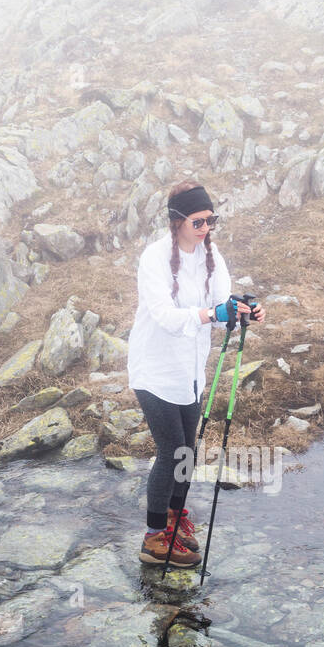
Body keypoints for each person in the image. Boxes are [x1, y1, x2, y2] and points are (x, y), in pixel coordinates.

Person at [127, 178, 265, 567]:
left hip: (190, 373)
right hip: (154, 370)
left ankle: (174, 516)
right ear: (177, 221)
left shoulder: (211, 254)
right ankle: (153, 539)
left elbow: (222, 305)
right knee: (171, 451)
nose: (206, 229)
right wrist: (213, 314)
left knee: (188, 450)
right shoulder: (154, 258)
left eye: (211, 221)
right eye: (198, 222)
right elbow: (167, 318)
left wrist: (242, 310)